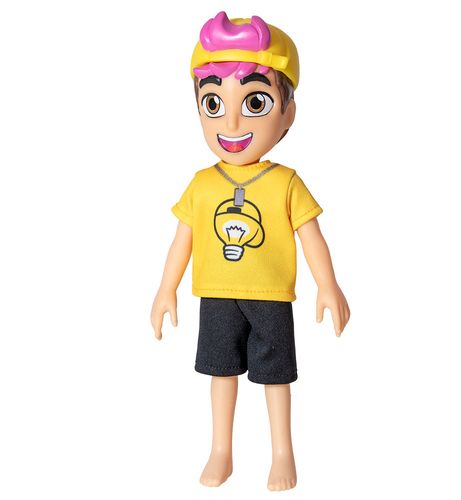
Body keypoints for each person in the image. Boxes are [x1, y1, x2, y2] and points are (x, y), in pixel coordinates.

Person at [150, 11, 350, 491]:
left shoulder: (286, 182)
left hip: (270, 296)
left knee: (275, 376)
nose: (232, 121)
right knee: (220, 373)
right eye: (213, 103)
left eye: (255, 102)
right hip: (217, 295)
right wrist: (165, 289)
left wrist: (328, 285)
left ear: (288, 114)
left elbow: (311, 235)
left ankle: (283, 451)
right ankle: (221, 449)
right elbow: (183, 239)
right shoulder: (201, 184)